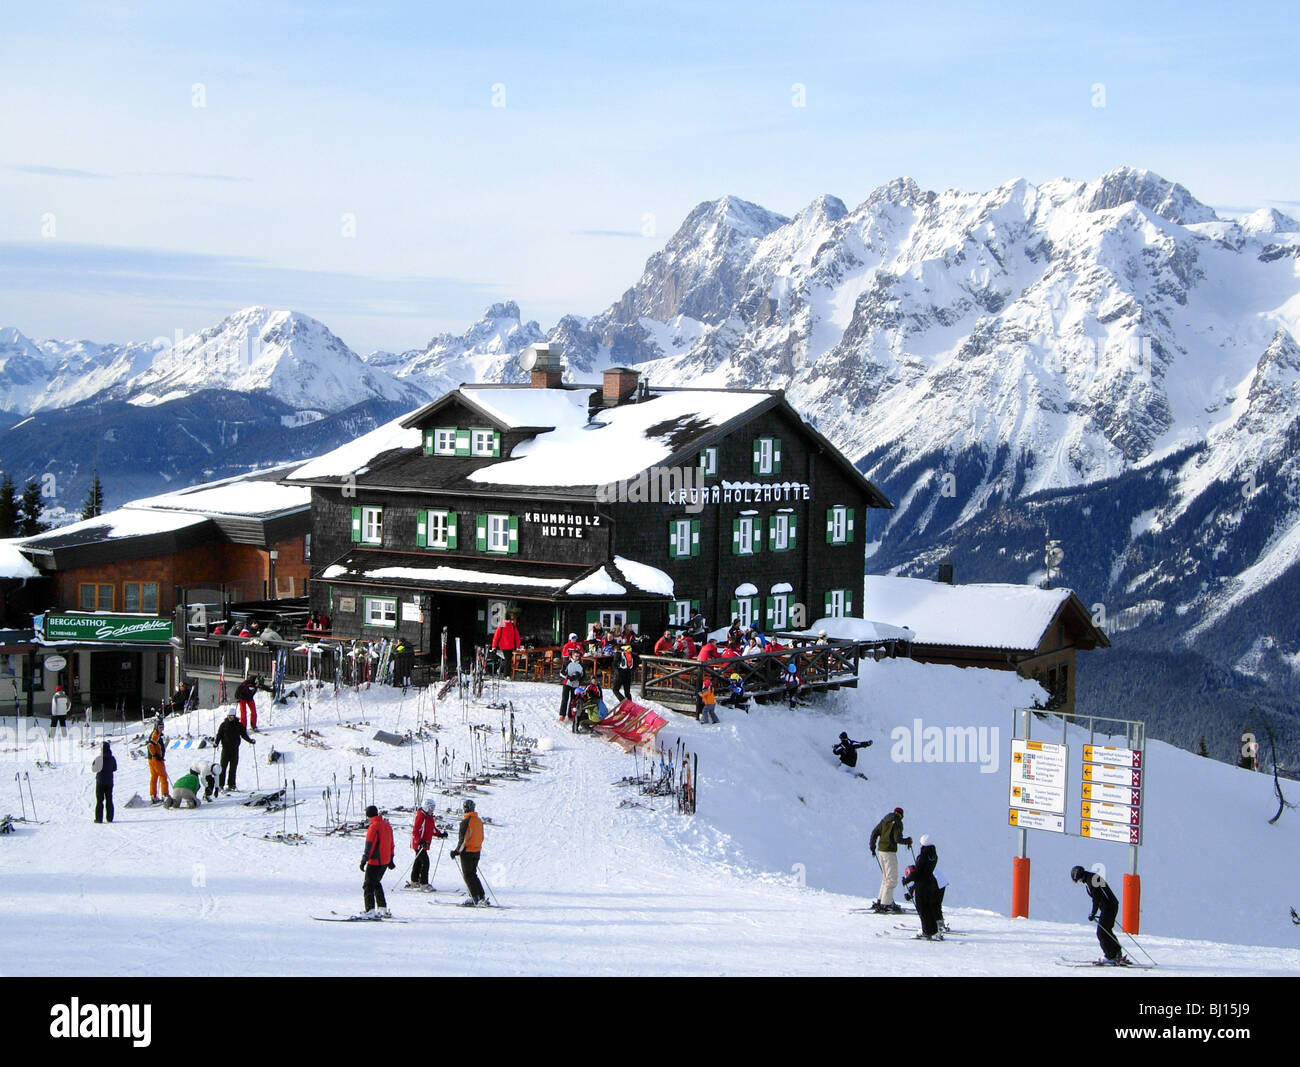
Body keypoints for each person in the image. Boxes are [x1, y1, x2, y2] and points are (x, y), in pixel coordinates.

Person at [1071, 865, 1125, 963]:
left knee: (1101, 933)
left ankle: (1110, 956)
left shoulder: (1091, 880)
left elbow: (1096, 899)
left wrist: (1093, 913)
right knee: (1107, 930)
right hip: (1110, 906)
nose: (1078, 881)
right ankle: (1116, 953)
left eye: (1077, 879)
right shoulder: (1091, 878)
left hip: (1108, 907)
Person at [869, 806, 913, 913]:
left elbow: (874, 832)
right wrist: (908, 840)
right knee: (892, 878)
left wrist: (872, 846)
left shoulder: (885, 820)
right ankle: (886, 904)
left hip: (881, 851)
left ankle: (881, 901)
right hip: (889, 852)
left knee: (885, 878)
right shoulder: (897, 822)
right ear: (901, 815)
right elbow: (897, 839)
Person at [902, 834, 942, 938]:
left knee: (922, 909)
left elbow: (917, 873)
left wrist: (906, 880)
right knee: (928, 907)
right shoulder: (934, 855)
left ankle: (926, 931)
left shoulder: (922, 856)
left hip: (921, 885)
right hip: (930, 883)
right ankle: (934, 930)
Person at [360, 805, 396, 918]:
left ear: (368, 816)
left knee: (368, 885)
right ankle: (382, 908)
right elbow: (391, 843)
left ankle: (370, 910)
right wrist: (391, 858)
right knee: (376, 883)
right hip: (385, 861)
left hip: (375, 861)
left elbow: (369, 845)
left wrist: (364, 860)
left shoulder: (373, 827)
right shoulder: (387, 825)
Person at [450, 799, 486, 906]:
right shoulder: (479, 821)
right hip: (477, 851)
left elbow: (463, 840)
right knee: (473, 874)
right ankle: (481, 896)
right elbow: (481, 836)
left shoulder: (465, 822)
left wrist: (456, 852)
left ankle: (474, 898)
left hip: (467, 852)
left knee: (468, 875)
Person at [214, 710, 255, 790]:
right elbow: (219, 735)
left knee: (233, 767)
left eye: (231, 717)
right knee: (223, 767)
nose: (230, 718)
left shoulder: (239, 725)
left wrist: (250, 741)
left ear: (234, 716)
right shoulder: (223, 725)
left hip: (235, 749)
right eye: (228, 716)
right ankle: (220, 785)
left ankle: (231, 784)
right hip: (225, 749)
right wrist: (216, 743)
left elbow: (244, 735)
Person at [410, 798, 446, 887]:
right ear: (426, 807)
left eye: (433, 808)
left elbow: (432, 829)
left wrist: (440, 834)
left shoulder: (429, 817)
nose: (432, 810)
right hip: (419, 844)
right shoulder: (421, 816)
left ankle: (414, 881)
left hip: (424, 844)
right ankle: (423, 883)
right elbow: (415, 831)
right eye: (431, 808)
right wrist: (419, 842)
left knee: (418, 861)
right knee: (425, 862)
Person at [146, 718, 170, 804]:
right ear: (156, 727)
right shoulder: (155, 734)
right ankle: (165, 794)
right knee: (163, 776)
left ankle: (153, 795)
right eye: (160, 727)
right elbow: (150, 745)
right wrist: (155, 755)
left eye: (163, 727)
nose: (162, 729)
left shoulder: (157, 734)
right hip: (155, 760)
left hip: (152, 759)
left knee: (154, 776)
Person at [92, 741, 116, 823]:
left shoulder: (99, 759)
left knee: (99, 801)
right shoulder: (112, 758)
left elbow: (94, 769)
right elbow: (114, 768)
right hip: (109, 782)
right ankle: (110, 818)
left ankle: (99, 819)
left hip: (100, 781)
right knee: (109, 800)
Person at [558, 651, 585, 721]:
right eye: (575, 656)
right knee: (565, 699)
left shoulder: (581, 665)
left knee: (573, 700)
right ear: (572, 656)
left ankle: (570, 715)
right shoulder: (567, 662)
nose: (577, 658)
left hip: (576, 684)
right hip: (567, 683)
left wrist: (579, 678)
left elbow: (583, 675)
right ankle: (562, 715)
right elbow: (561, 672)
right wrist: (568, 677)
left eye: (578, 656)